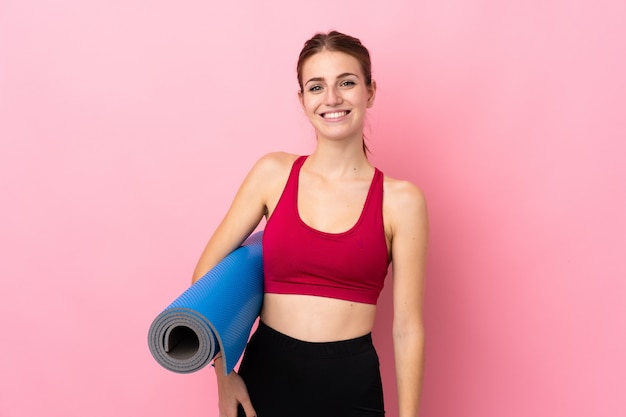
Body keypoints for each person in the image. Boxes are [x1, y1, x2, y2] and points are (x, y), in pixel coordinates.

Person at [191, 31, 428, 417]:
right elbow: (206, 280)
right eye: (316, 87)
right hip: (264, 381)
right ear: (302, 100)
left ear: (370, 92)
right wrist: (224, 376)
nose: (332, 99)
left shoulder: (402, 201)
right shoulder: (272, 173)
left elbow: (407, 329)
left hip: (351, 386)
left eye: (347, 83)